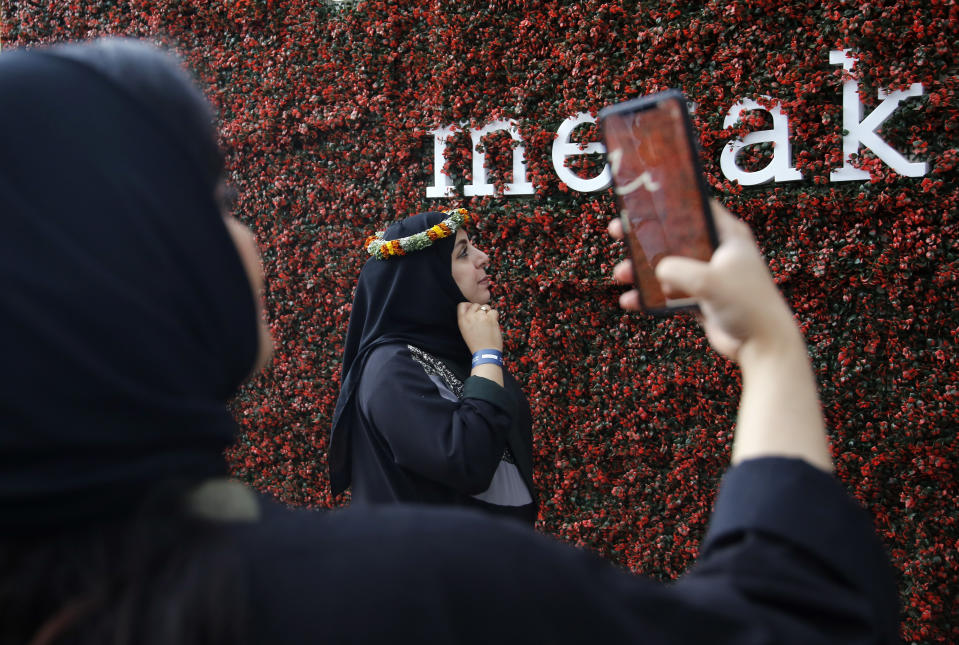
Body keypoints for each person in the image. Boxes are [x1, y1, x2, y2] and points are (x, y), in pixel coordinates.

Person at [0, 38, 899, 645]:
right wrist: (771, 349)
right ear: (130, 259)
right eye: (223, 206)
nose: (253, 240)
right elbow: (792, 619)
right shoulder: (395, 587)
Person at [327, 211, 538, 523]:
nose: (484, 258)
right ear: (425, 276)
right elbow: (467, 462)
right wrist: (488, 356)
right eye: (463, 252)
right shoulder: (390, 369)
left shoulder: (452, 351)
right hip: (431, 566)